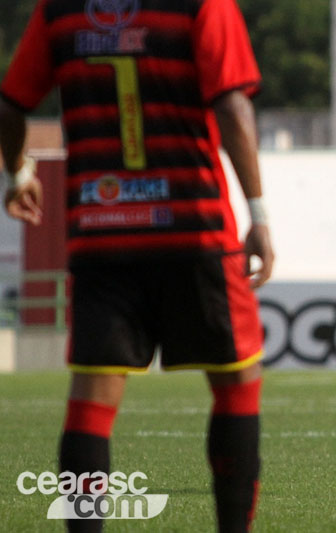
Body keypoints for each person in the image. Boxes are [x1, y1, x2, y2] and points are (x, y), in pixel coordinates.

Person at [0, 0, 274, 530]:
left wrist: (18, 174)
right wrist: (258, 213)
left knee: (92, 397)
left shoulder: (60, 10)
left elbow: (10, 106)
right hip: (194, 230)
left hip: (102, 234)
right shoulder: (203, 5)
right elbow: (233, 107)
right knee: (239, 380)